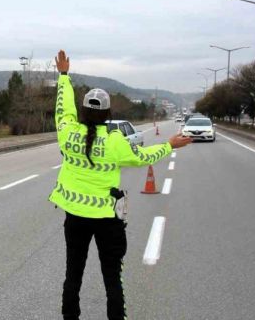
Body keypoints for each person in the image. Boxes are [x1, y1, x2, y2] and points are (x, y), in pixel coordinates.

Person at [49, 49, 192, 320]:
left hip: (75, 218)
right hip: (106, 219)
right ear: (107, 113)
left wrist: (64, 76)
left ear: (83, 111)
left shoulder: (67, 132)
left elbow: (62, 108)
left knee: (73, 277)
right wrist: (169, 144)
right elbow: (143, 157)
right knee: (112, 279)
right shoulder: (115, 142)